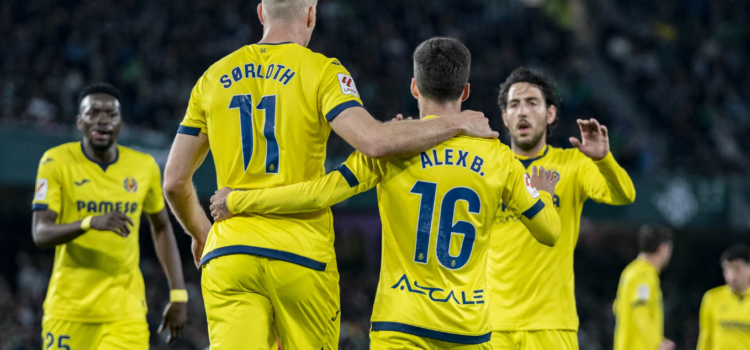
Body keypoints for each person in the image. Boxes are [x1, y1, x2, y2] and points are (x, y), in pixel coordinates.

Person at [162, 1, 497, 348]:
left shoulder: (212, 77)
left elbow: (174, 181)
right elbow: (373, 142)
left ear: (261, 13)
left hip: (230, 253)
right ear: (311, 14)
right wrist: (456, 121)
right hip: (300, 255)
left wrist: (202, 234)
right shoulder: (322, 71)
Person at [209, 37, 562, 349]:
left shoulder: (389, 150)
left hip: (400, 327)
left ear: (414, 87)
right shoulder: (500, 157)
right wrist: (543, 194)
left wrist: (238, 199)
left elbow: (316, 195)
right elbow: (549, 232)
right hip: (469, 332)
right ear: (465, 91)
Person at [488, 67, 636, 349]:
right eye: (514, 105)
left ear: (550, 114)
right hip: (492, 325)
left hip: (551, 324)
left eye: (532, 103)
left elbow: (623, 195)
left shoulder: (573, 164)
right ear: (505, 117)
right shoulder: (489, 168)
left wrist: (604, 160)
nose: (522, 112)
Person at [31, 83, 187, 349]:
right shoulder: (55, 162)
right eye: (93, 113)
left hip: (125, 313)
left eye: (111, 114)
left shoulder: (143, 167)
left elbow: (162, 227)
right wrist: (90, 222)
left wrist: (179, 293)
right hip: (69, 310)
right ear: (80, 121)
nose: (102, 120)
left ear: (121, 123)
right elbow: (41, 233)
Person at [613, 225, 675, 350]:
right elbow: (640, 313)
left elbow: (617, 307)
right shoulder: (643, 276)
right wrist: (658, 342)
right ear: (663, 248)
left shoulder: (630, 271)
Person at [697, 244, 750, 350]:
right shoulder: (712, 298)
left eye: (737, 269)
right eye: (727, 269)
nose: (731, 276)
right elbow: (705, 338)